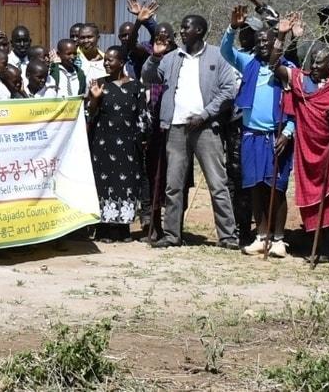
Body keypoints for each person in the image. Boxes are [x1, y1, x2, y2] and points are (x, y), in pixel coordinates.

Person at [269, 15, 329, 269]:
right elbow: (274, 66)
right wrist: (281, 36)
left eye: (319, 63)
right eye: (312, 61)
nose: (313, 66)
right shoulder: (302, 81)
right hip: (309, 151)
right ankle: (320, 247)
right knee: (314, 199)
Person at [142, 14, 240, 250]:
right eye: (182, 27)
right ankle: (172, 235)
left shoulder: (217, 55)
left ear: (200, 30)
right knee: (173, 185)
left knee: (217, 183)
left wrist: (205, 114)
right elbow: (148, 76)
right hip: (176, 128)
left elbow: (230, 89)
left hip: (206, 128)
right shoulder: (172, 57)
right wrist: (155, 57)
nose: (182, 31)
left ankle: (228, 237)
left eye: (187, 27)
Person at [219, 5, 296, 258]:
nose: (263, 44)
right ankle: (261, 236)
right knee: (255, 186)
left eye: (268, 40)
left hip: (278, 135)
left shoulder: (287, 69)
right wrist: (232, 28)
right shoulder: (248, 62)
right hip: (251, 134)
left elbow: (296, 104)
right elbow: (225, 51)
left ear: (277, 43)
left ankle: (279, 240)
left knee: (277, 187)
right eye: (260, 40)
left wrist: (289, 131)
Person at [85, 47, 150, 243]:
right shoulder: (100, 85)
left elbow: (142, 115)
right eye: (105, 60)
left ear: (121, 62)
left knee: (127, 183)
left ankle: (123, 229)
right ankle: (104, 229)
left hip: (129, 144)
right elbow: (90, 114)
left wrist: (142, 138)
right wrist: (94, 100)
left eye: (111, 60)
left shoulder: (136, 87)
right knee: (104, 182)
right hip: (103, 142)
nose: (106, 63)